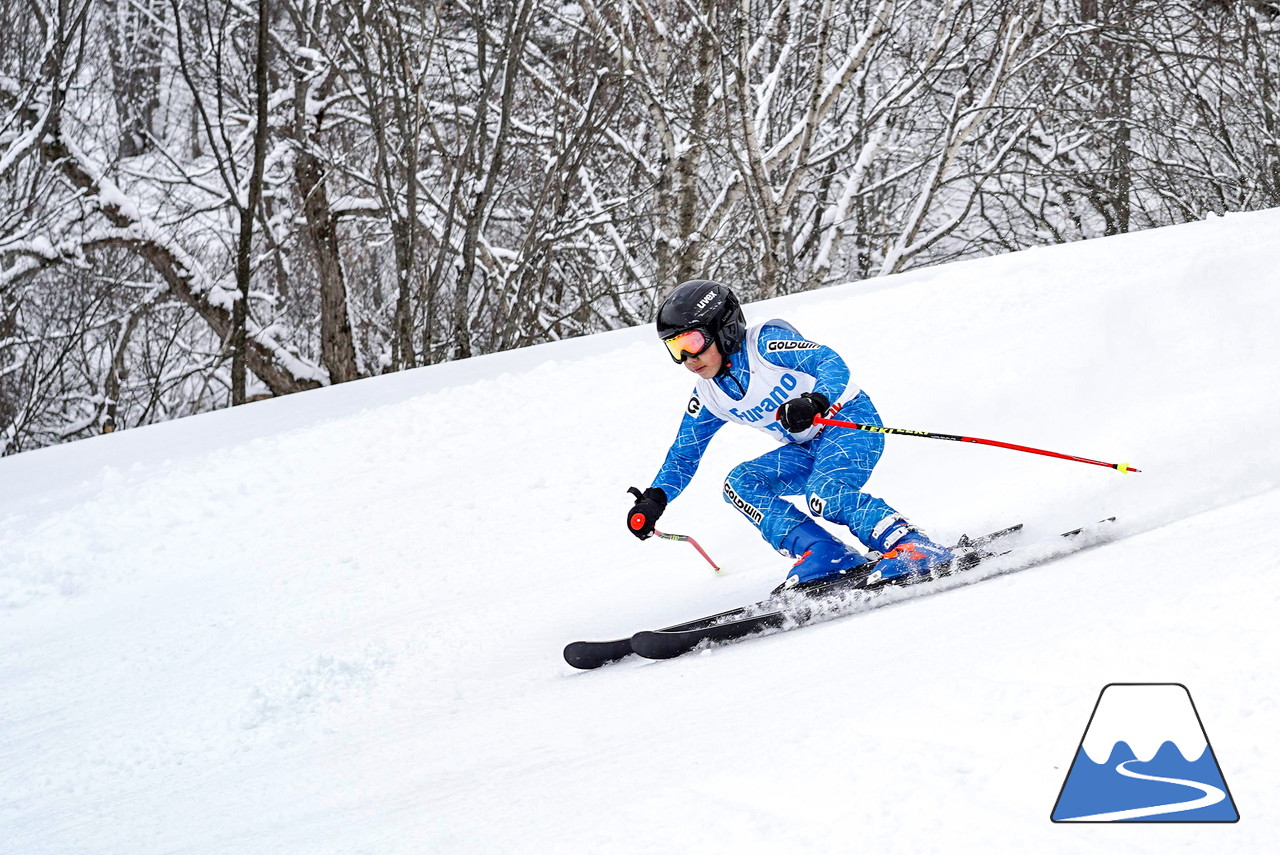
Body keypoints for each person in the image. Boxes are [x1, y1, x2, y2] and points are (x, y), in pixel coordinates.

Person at [626, 278, 952, 588]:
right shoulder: (710, 395)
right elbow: (685, 453)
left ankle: (910, 545)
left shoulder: (764, 345)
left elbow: (828, 361)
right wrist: (655, 499)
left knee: (824, 492)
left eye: (692, 342)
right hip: (805, 447)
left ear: (722, 329)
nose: (687, 358)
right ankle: (823, 552)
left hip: (849, 423)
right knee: (740, 483)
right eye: (675, 348)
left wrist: (815, 401)